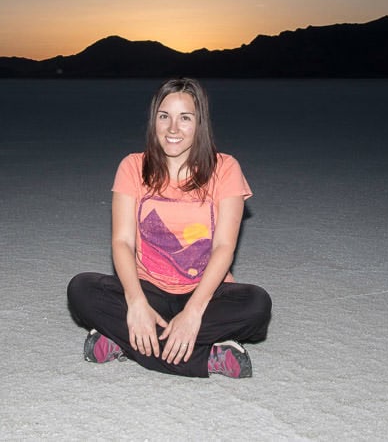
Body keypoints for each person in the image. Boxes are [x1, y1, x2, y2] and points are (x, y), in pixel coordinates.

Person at [67, 78, 272, 378]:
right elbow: (122, 242)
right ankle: (208, 356)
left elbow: (224, 248)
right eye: (164, 116)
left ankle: (126, 341)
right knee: (80, 289)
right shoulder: (133, 167)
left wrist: (193, 313)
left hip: (206, 292)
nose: (173, 129)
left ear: (199, 123)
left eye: (185, 118)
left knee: (257, 306)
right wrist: (136, 303)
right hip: (148, 289)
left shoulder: (225, 169)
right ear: (154, 121)